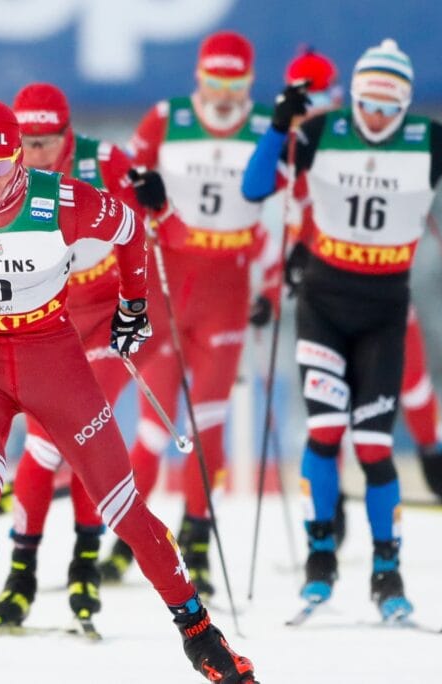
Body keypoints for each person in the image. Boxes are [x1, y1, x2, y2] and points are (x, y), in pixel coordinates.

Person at [0, 98, 257, 684]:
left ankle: (201, 635)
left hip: (49, 355)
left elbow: (130, 229)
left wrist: (133, 305)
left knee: (123, 506)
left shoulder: (61, 199)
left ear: (18, 160)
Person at [242, 38, 442, 619]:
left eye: (389, 107)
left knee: (373, 445)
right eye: (367, 103)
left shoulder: (428, 139)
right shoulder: (324, 132)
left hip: (385, 310)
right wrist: (278, 127)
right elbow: (255, 186)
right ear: (354, 98)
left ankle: (388, 572)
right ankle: (320, 561)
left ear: (405, 105)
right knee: (324, 432)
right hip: (323, 304)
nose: (375, 117)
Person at [98, 29, 276, 597]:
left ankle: (197, 537)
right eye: (215, 81)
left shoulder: (266, 126)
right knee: (155, 426)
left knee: (209, 421)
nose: (224, 94)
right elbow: (124, 184)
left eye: (235, 83)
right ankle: (131, 536)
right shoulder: (166, 118)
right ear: (199, 79)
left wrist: (272, 284)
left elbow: (287, 207)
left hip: (227, 288)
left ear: (249, 83)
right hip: (168, 283)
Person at [0, 82, 155, 628]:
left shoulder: (104, 161)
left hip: (103, 317)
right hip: (45, 321)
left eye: (46, 141)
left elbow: (140, 230)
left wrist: (158, 202)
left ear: (68, 133)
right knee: (41, 446)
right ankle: (22, 573)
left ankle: (84, 562)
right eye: (26, 142)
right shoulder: (0, 171)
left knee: (82, 429)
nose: (35, 153)